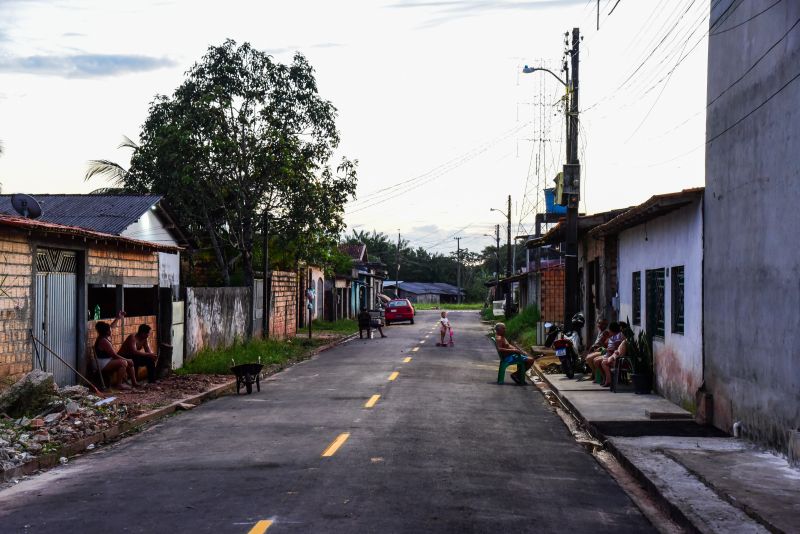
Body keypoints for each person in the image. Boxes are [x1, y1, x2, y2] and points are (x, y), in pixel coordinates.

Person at [93, 311, 140, 390]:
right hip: (101, 362)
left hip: (107, 360)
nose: (111, 330)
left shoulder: (105, 335)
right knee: (124, 362)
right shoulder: (103, 341)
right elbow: (114, 355)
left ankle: (134, 383)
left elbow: (112, 326)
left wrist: (118, 318)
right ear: (107, 332)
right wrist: (126, 360)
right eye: (110, 330)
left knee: (129, 362)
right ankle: (119, 385)